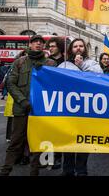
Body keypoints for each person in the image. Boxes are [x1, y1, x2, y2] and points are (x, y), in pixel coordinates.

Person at [0, 35, 57, 176]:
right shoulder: (20, 62)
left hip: (41, 110)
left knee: (38, 142)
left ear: (44, 46)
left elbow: (55, 85)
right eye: (35, 42)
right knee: (16, 141)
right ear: (30, 44)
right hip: (21, 109)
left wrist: (44, 72)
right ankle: (5, 171)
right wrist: (23, 101)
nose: (38, 44)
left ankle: (34, 171)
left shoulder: (50, 63)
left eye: (41, 42)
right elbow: (10, 83)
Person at [58, 38, 102, 176]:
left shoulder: (92, 63)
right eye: (75, 46)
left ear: (85, 49)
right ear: (71, 49)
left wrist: (82, 65)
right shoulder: (64, 65)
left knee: (84, 141)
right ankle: (68, 170)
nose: (78, 48)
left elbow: (100, 78)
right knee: (68, 141)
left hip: (86, 109)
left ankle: (81, 170)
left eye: (81, 46)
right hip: (68, 109)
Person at [46, 36, 67, 170]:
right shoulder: (46, 62)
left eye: (53, 46)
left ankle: (58, 157)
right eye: (49, 46)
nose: (50, 49)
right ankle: (48, 157)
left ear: (59, 47)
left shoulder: (66, 62)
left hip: (63, 99)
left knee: (59, 131)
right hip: (49, 98)